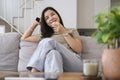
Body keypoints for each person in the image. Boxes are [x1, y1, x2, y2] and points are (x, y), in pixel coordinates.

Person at [21, 6, 83, 72]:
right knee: (53, 53)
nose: (51, 18)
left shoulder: (71, 30)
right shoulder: (44, 36)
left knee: (49, 41)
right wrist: (35, 23)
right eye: (47, 18)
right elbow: (24, 38)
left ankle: (34, 71)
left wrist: (63, 32)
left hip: (74, 64)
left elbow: (78, 49)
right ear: (46, 23)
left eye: (53, 14)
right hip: (57, 64)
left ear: (58, 15)